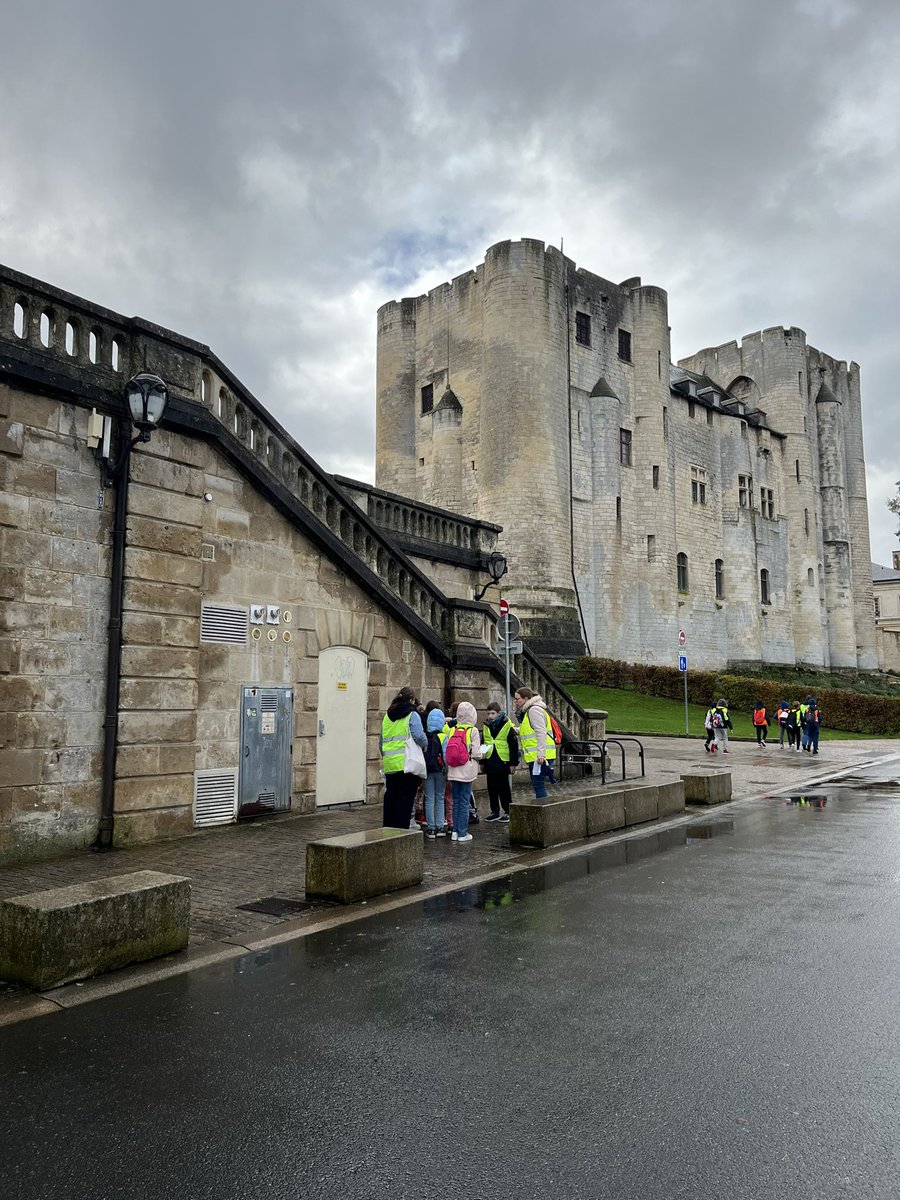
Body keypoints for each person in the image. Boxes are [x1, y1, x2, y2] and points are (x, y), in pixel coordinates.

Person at [380, 686, 427, 829]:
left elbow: (381, 742)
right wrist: (426, 744)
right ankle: (401, 834)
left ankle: (388, 831)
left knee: (391, 800)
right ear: (412, 700)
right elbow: (419, 736)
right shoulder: (412, 715)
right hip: (407, 765)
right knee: (405, 802)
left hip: (390, 765)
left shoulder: (387, 716)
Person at [443, 700, 485, 842]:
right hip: (467, 770)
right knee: (464, 801)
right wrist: (482, 755)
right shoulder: (472, 731)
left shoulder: (452, 730)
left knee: (455, 800)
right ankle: (463, 833)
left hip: (453, 770)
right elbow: (477, 754)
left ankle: (454, 831)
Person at [514, 687, 557, 797]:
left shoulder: (534, 710)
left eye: (517, 699)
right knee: (537, 785)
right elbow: (529, 730)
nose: (515, 701)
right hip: (538, 755)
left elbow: (540, 732)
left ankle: (542, 811)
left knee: (538, 785)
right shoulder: (531, 710)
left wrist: (541, 754)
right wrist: (514, 729)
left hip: (539, 756)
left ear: (526, 699)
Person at [482, 701, 520, 821]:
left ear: (499, 713)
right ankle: (495, 811)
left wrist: (513, 763)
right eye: (488, 713)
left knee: (503, 787)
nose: (490, 716)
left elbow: (513, 746)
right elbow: (484, 743)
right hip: (490, 760)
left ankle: (508, 811)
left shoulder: (507, 725)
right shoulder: (486, 725)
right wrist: (482, 762)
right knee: (491, 788)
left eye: (492, 713)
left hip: (502, 760)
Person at [423, 706, 448, 838]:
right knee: (440, 797)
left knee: (429, 798)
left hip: (427, 770)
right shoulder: (444, 736)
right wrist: (447, 771)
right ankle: (440, 827)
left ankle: (431, 828)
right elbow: (445, 756)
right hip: (440, 770)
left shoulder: (425, 736)